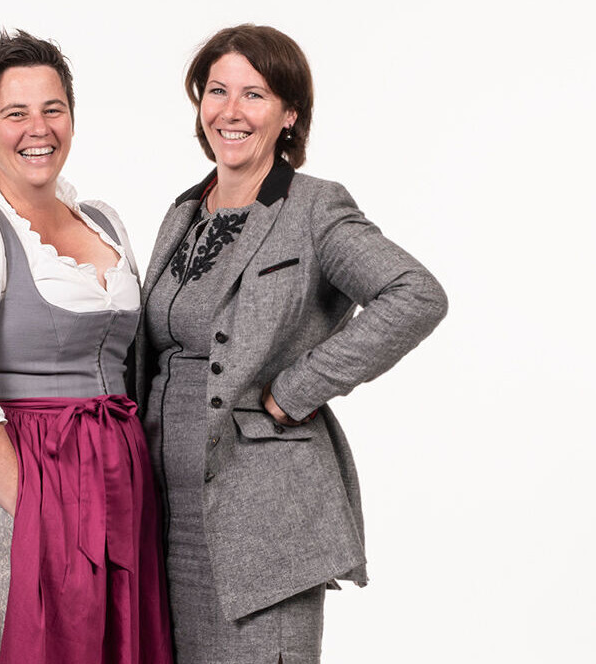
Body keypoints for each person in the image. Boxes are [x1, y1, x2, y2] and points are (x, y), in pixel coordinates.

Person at [136, 24, 448, 663]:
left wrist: (293, 391)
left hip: (260, 520)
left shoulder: (313, 208)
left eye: (254, 94)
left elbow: (415, 294)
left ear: (289, 113)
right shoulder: (184, 211)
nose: (231, 110)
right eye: (217, 90)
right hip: (168, 518)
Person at [0, 30, 172, 664]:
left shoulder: (103, 221)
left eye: (52, 109)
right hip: (15, 476)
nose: (36, 128)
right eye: (14, 113)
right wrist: (45, 510)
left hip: (112, 483)